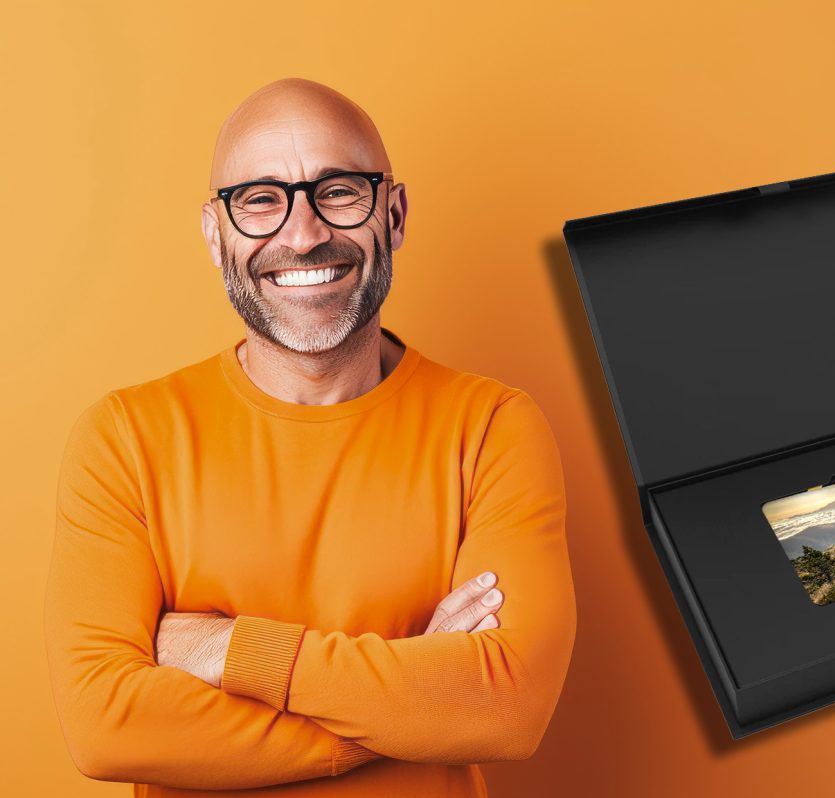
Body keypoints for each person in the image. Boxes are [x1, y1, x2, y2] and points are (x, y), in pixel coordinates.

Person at [43, 77, 577, 797]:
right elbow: (105, 726)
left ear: (393, 213)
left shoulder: (491, 428)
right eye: (259, 200)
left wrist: (228, 648)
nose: (303, 234)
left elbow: (507, 707)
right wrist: (415, 694)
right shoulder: (124, 439)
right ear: (215, 233)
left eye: (339, 191)